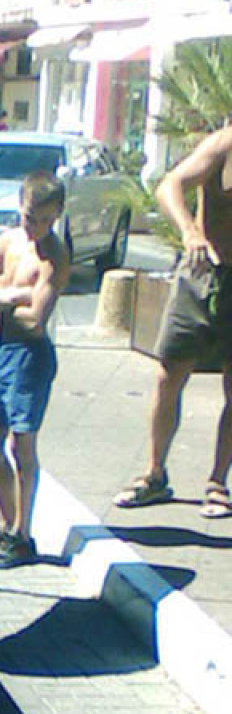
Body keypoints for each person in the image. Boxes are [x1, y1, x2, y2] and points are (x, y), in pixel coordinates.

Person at [114, 122, 232, 519]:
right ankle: (154, 474)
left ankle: (217, 482)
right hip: (203, 274)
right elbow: (170, 184)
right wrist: (189, 231)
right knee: (169, 375)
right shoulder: (222, 146)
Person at [0, 170, 71, 569]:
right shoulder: (9, 241)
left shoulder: (55, 255)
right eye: (29, 217)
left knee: (20, 445)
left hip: (30, 357)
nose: (35, 227)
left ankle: (22, 535)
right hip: (0, 352)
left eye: (44, 220)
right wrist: (13, 295)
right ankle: (5, 520)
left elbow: (35, 321)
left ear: (56, 215)